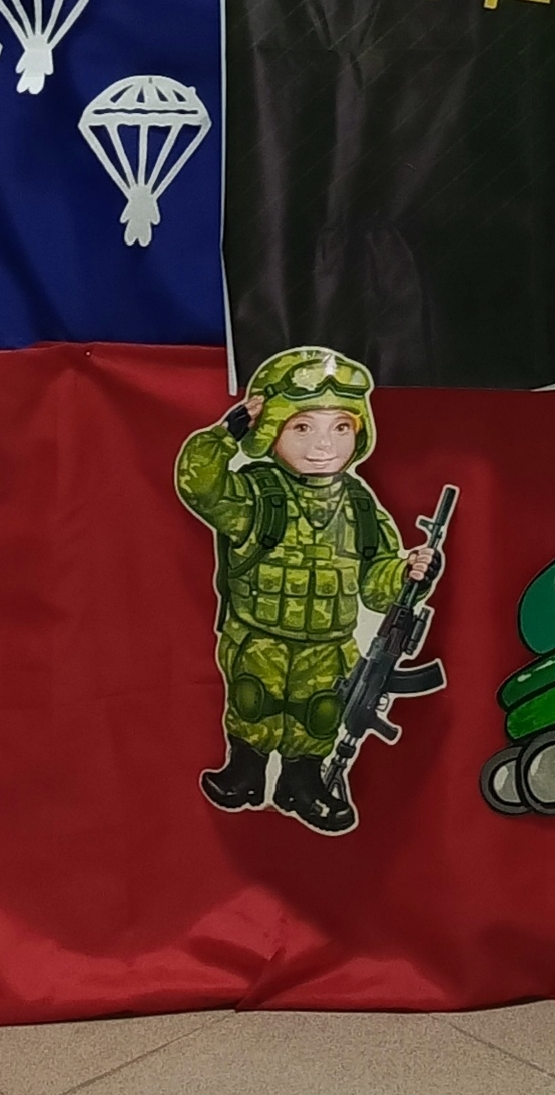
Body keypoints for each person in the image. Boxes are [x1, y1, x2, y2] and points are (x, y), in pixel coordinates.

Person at [175, 346, 437, 835]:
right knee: (252, 703)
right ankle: (244, 773)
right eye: (302, 427)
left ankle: (302, 784)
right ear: (271, 431)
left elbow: (376, 585)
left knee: (319, 715)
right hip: (258, 637)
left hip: (328, 646)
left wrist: (409, 573)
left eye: (340, 427)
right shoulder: (256, 494)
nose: (323, 444)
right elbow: (201, 487)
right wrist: (225, 436)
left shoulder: (360, 506)